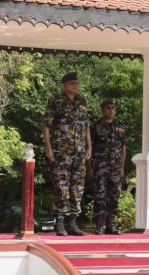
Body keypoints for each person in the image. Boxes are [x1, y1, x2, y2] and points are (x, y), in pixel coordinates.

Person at [42, 72, 91, 236]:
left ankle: (72, 222)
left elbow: (86, 126)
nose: (75, 86)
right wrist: (48, 148)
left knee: (77, 187)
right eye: (72, 83)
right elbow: (46, 125)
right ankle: (60, 222)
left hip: (79, 152)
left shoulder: (82, 101)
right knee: (61, 186)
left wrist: (89, 147)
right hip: (61, 151)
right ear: (65, 85)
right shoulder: (56, 101)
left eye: (77, 83)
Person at [89, 98, 128, 235]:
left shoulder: (120, 126)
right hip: (100, 166)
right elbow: (90, 147)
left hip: (115, 167)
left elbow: (123, 147)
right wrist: (89, 166)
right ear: (102, 110)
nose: (111, 110)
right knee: (100, 195)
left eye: (113, 108)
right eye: (108, 108)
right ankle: (100, 225)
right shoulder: (95, 126)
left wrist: (122, 167)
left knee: (114, 196)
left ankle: (111, 225)